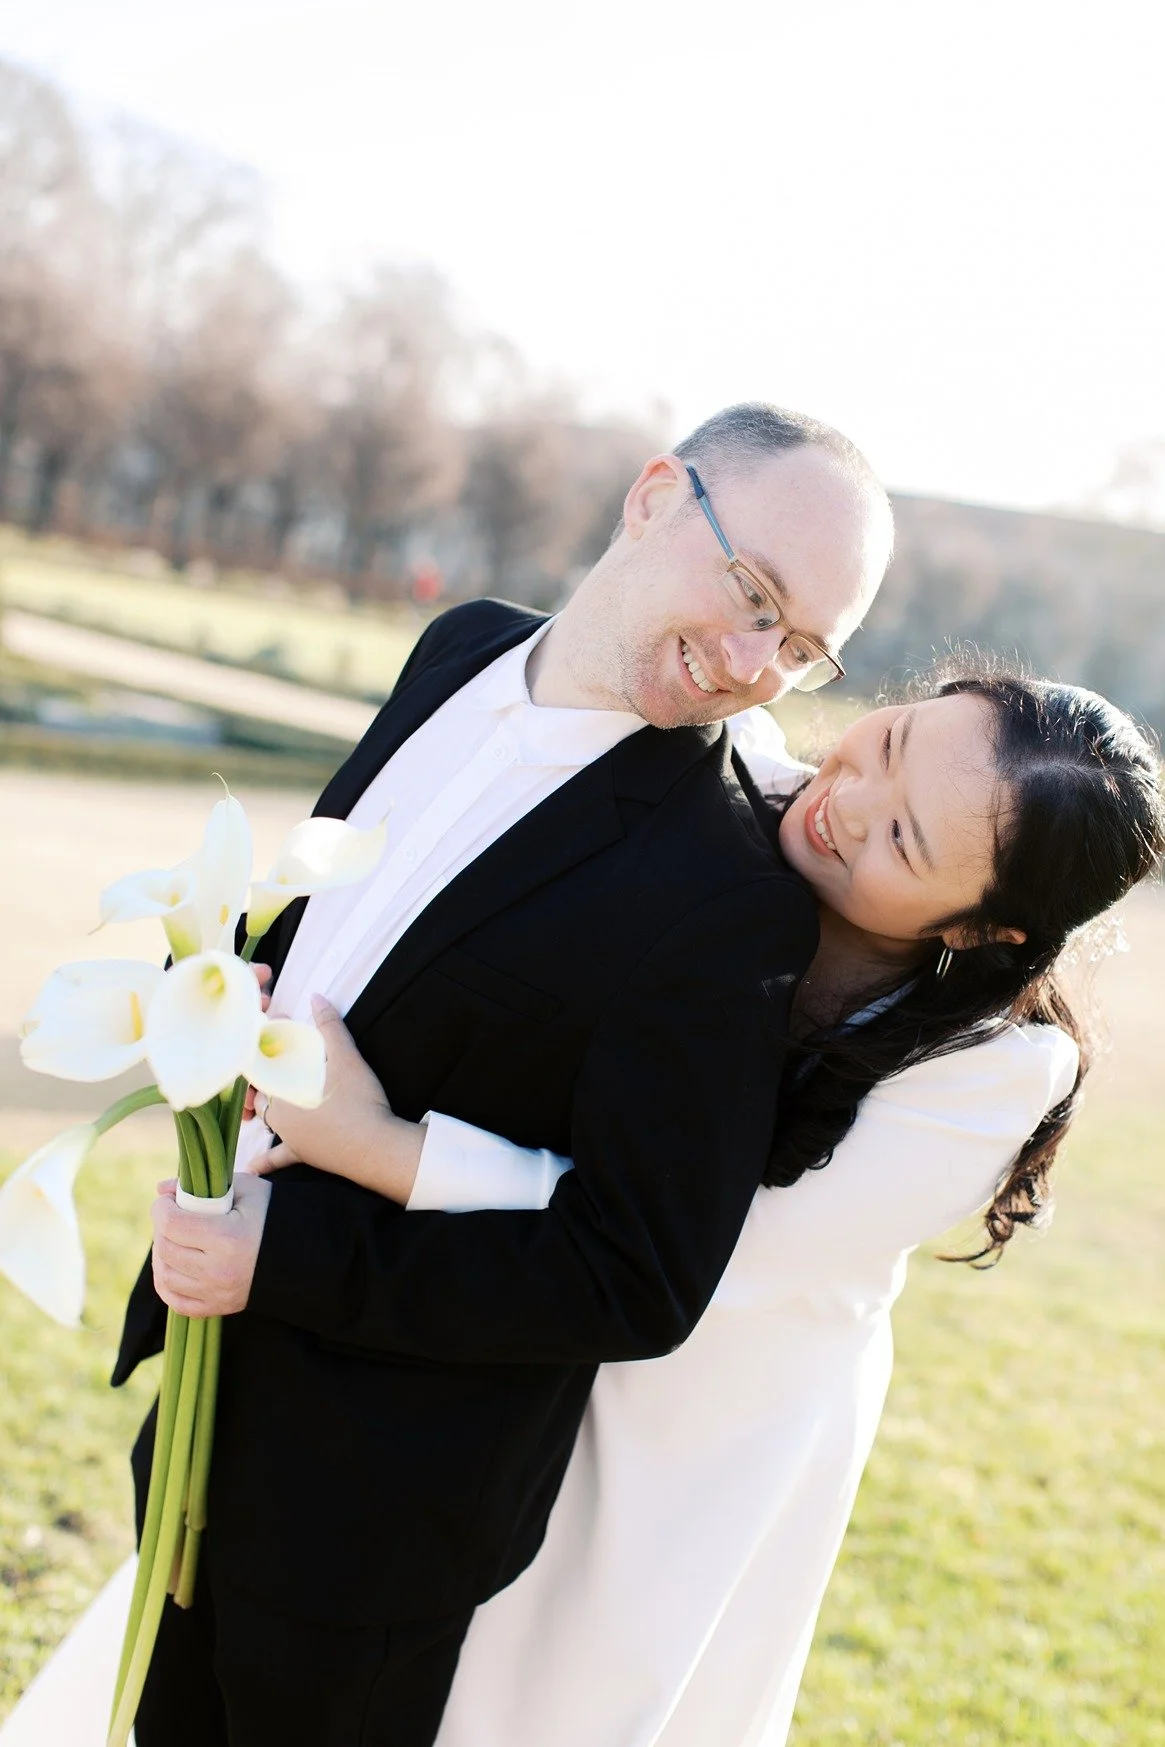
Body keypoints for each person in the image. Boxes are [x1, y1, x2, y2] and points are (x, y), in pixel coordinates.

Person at [7, 670, 1157, 1747]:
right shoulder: (717, 792)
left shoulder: (991, 1071)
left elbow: (697, 1251)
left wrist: (393, 1152)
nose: (847, 799)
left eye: (904, 837)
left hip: (692, 1424)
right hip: (493, 1346)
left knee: (550, 1698)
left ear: (979, 930)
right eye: (891, 740)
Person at [111, 403, 894, 1747]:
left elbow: (633, 1274)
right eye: (754, 593)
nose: (756, 663)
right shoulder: (460, 640)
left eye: (804, 646)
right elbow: (349, 903)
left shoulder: (727, 895)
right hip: (202, 1384)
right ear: (654, 497)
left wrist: (279, 1261)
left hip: (373, 1511)